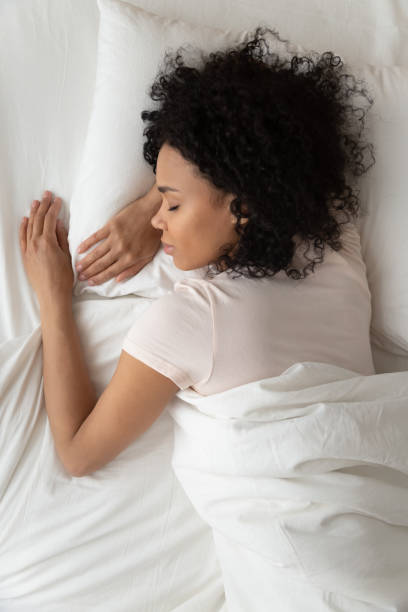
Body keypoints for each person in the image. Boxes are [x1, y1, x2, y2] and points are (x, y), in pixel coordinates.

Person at [19, 27, 376, 478]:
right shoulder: (338, 244)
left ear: (242, 206)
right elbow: (262, 147)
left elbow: (77, 454)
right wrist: (165, 203)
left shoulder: (194, 318)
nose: (155, 219)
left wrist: (53, 298)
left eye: (171, 203)